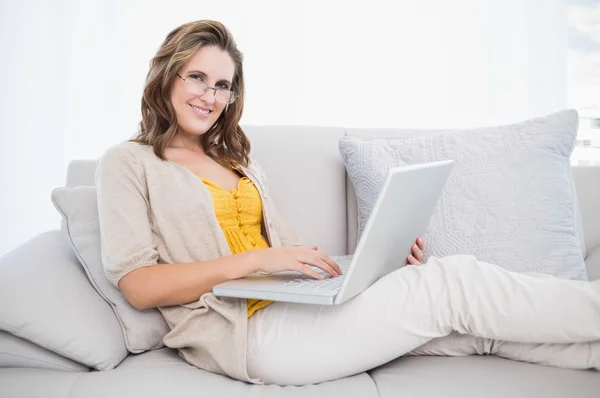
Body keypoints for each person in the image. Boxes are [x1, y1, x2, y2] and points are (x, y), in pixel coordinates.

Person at [95, 20, 600, 386]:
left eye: (223, 84)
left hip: (293, 307)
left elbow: (289, 256)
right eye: (197, 77)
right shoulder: (128, 163)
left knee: (472, 323)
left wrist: (369, 268)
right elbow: (138, 285)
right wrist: (255, 260)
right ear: (167, 76)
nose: (210, 95)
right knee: (454, 281)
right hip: (246, 336)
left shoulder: (237, 161)